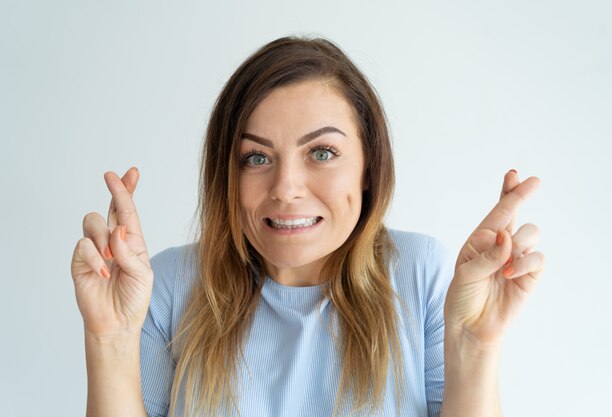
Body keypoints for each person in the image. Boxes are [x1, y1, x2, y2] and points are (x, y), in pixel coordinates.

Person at [71, 36, 544, 417]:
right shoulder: (170, 284)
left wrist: (476, 345)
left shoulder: (422, 274)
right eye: (256, 157)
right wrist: (108, 337)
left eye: (321, 153)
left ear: (368, 167)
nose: (286, 188)